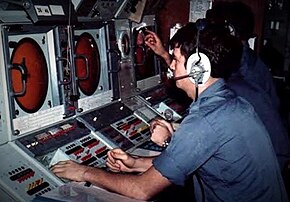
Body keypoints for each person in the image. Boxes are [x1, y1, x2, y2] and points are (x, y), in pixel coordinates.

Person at [51, 21, 287, 201]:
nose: (171, 66)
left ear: (198, 68)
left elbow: (141, 190)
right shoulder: (229, 102)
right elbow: (188, 158)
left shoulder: (205, 121)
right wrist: (135, 163)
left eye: (175, 59)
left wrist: (84, 172)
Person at [145, 1, 290, 172]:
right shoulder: (241, 60)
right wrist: (165, 55)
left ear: (229, 31)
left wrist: (168, 140)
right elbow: (198, 76)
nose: (207, 33)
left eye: (213, 27)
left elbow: (202, 82)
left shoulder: (239, 75)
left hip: (266, 163)